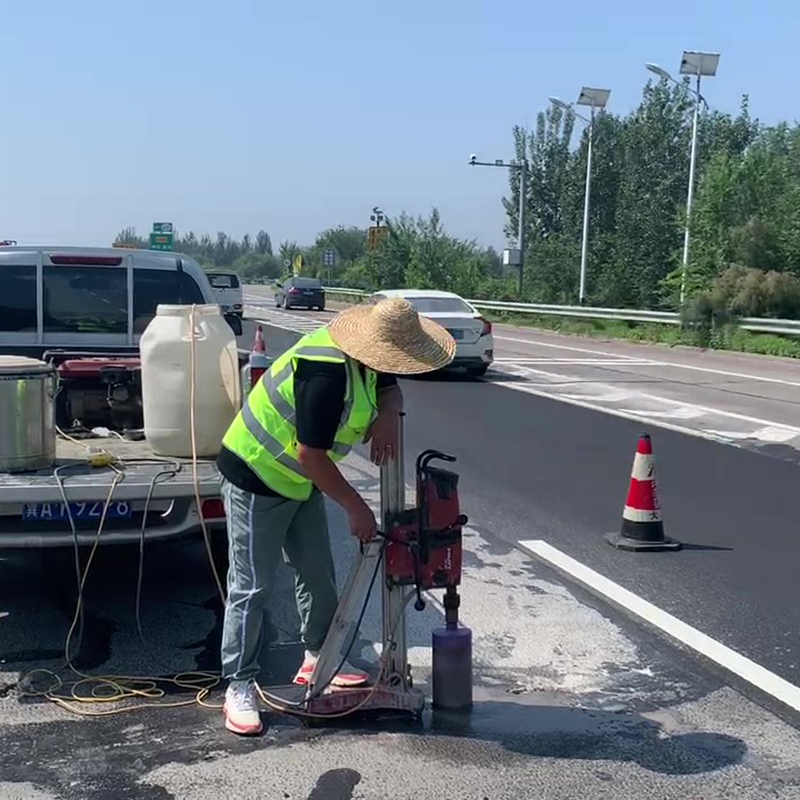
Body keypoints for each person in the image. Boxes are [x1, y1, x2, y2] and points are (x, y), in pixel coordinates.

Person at [216, 296, 455, 735]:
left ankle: (316, 658)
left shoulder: (369, 355)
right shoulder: (323, 371)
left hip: (297, 481)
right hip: (256, 473)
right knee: (253, 586)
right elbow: (311, 454)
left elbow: (388, 387)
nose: (396, 366)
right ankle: (240, 684)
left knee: (316, 572)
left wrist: (388, 412)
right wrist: (356, 507)